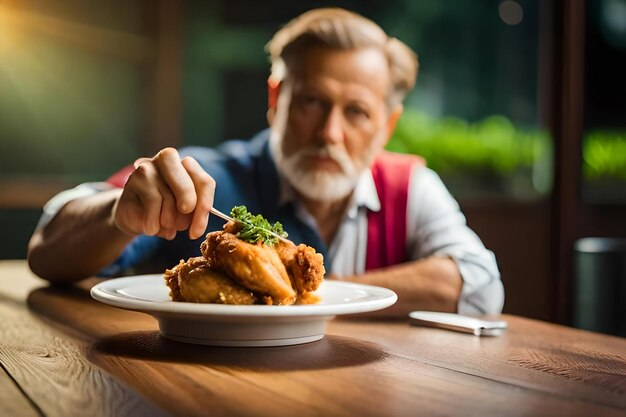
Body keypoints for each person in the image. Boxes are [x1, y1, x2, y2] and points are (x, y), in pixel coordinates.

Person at [27, 8, 504, 317]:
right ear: (275, 99)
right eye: (313, 102)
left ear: (387, 124)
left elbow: (480, 284)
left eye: (356, 112)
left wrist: (305, 294)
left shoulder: (411, 187)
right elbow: (47, 245)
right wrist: (117, 216)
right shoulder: (200, 178)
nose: (329, 133)